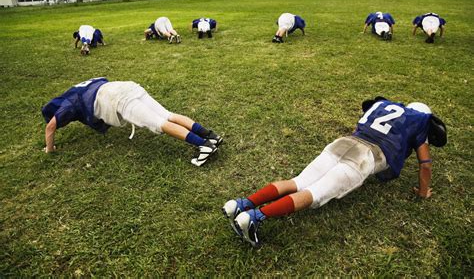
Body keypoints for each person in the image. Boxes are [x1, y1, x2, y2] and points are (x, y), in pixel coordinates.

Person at [223, 97, 447, 247]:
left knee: (298, 181)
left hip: (344, 142)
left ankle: (242, 203)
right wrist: (423, 192)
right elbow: (425, 163)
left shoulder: (385, 106)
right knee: (315, 193)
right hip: (365, 157)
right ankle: (255, 217)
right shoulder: (420, 122)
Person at [42, 77, 223, 166]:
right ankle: (211, 136)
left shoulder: (67, 104)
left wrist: (49, 149)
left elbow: (50, 127)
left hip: (117, 98)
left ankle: (204, 145)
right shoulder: (76, 89)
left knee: (158, 123)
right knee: (167, 114)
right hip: (126, 86)